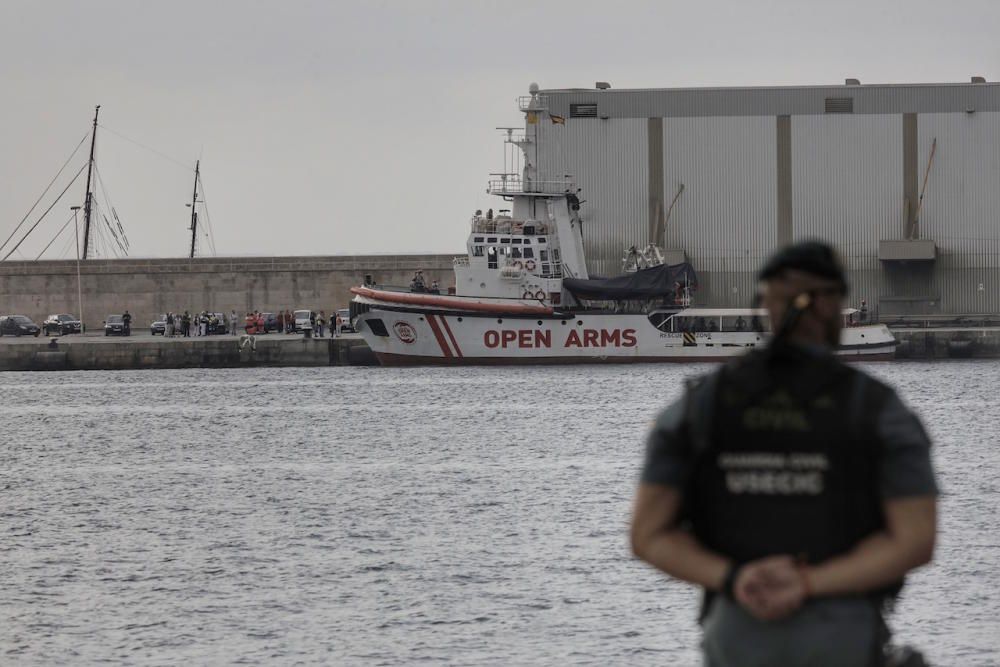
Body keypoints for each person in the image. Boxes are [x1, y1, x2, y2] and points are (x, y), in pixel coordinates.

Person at [630, 240, 938, 667]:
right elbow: (916, 540)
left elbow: (647, 534)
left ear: (766, 305)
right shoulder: (878, 409)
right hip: (842, 631)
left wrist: (735, 578)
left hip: (737, 629)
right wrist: (807, 584)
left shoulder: (699, 406)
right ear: (832, 306)